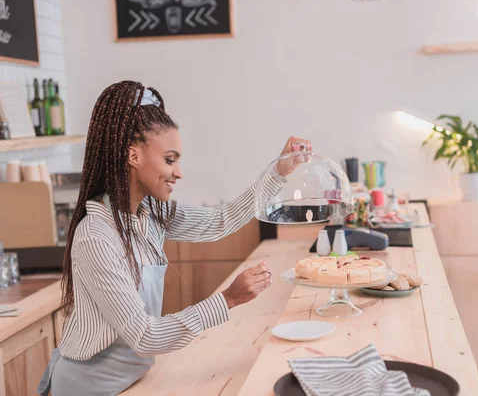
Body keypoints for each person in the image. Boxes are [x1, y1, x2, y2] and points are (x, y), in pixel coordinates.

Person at [37, 80, 312, 395]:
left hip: (133, 381)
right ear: (133, 155)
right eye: (170, 159)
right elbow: (144, 337)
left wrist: (279, 171)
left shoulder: (151, 213)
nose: (179, 172)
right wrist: (229, 298)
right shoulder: (96, 237)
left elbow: (219, 221)